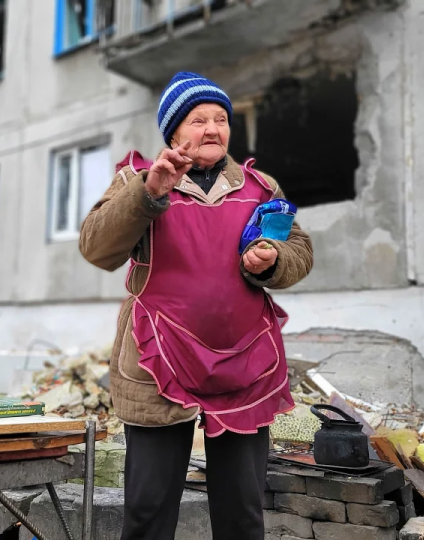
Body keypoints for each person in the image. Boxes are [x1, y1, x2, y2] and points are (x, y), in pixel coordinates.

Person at [79, 71, 314, 540]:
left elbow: (299, 251)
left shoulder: (259, 189)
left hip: (243, 361)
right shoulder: (137, 179)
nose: (212, 129)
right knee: (148, 509)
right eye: (198, 119)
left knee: (244, 512)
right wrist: (148, 193)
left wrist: (272, 260)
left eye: (221, 119)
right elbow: (96, 248)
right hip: (158, 359)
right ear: (173, 131)